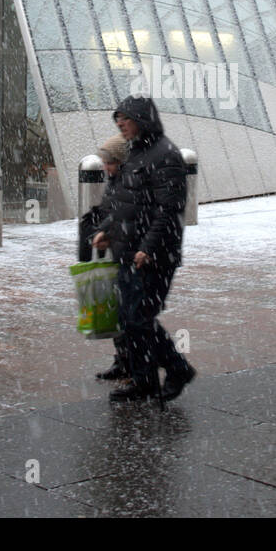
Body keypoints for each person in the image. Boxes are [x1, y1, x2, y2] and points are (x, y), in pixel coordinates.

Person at [92, 96, 195, 403]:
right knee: (130, 319)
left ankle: (176, 369)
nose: (120, 124)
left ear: (142, 119)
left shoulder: (165, 155)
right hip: (127, 251)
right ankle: (144, 380)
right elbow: (121, 201)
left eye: (125, 119)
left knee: (139, 317)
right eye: (117, 120)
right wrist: (106, 231)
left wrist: (148, 248)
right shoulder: (135, 153)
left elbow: (169, 209)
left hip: (154, 255)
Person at [82, 134, 132, 381]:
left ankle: (138, 365)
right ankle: (123, 361)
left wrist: (109, 230)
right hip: (119, 252)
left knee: (130, 314)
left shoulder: (131, 182)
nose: (105, 167)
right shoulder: (115, 180)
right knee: (118, 311)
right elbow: (111, 209)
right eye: (104, 162)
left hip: (133, 255)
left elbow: (127, 214)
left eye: (110, 162)